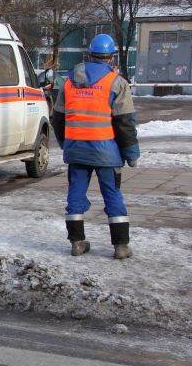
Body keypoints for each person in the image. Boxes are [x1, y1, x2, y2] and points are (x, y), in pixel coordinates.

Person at [51, 34, 140, 259]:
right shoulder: (116, 82)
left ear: (89, 54)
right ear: (110, 58)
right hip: (105, 152)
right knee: (112, 195)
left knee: (75, 194)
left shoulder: (70, 82)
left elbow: (58, 119)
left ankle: (77, 243)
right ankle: (121, 246)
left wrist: (66, 144)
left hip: (76, 150)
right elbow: (124, 122)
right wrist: (131, 153)